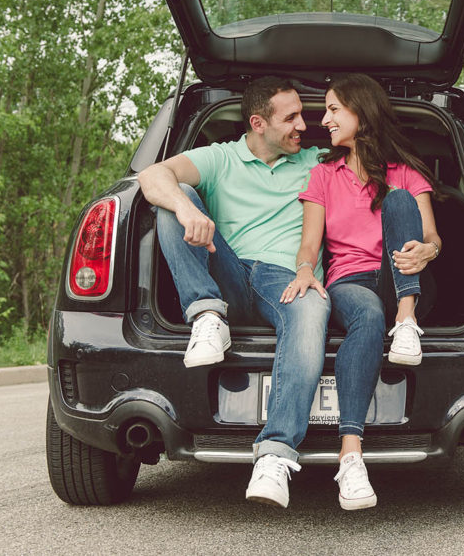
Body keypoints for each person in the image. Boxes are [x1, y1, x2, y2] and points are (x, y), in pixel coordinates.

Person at [137, 76, 329, 510]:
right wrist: (186, 208)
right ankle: (207, 315)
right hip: (229, 275)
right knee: (176, 197)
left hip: (289, 280)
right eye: (291, 118)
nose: (304, 125)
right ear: (258, 123)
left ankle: (275, 455)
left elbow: (377, 168)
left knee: (313, 312)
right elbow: (152, 175)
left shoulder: (317, 161)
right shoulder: (221, 158)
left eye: (302, 115)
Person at [283, 73, 442, 510]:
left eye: (333, 109)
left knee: (399, 201)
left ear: (361, 112)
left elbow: (432, 236)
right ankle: (350, 456)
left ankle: (406, 320)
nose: (324, 120)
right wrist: (303, 269)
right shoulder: (323, 174)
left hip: (403, 278)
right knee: (368, 316)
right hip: (349, 282)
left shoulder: (405, 172)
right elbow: (310, 244)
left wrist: (426, 251)